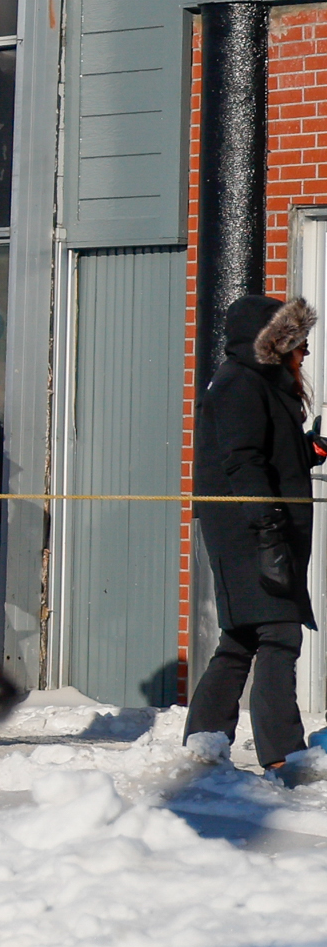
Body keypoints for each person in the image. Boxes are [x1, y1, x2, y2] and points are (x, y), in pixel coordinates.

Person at [182, 291, 325, 786]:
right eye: (299, 344)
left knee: (241, 637)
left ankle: (203, 741)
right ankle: (283, 753)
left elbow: (271, 454)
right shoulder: (239, 384)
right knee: (278, 632)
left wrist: (312, 449)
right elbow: (242, 462)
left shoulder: (256, 383)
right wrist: (267, 530)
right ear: (276, 344)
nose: (305, 353)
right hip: (247, 528)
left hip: (253, 525)